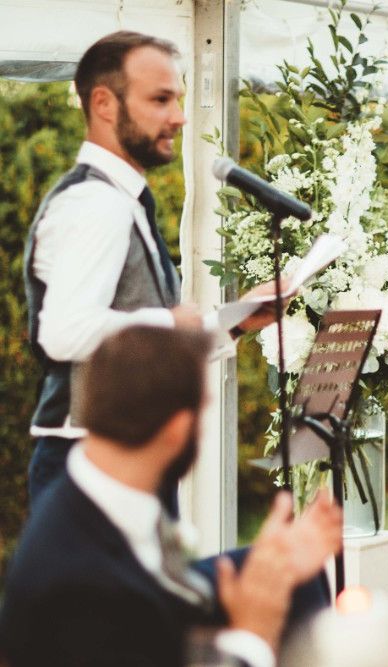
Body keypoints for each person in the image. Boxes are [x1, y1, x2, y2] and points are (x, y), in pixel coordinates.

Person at [23, 30, 275, 512]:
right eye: (160, 100)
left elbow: (132, 331)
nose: (179, 116)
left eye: (177, 99)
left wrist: (238, 321)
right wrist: (168, 322)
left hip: (118, 457)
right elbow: (65, 331)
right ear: (104, 103)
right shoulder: (96, 204)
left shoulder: (120, 199)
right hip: (91, 463)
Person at [0, 326, 342, 667]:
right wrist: (251, 636)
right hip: (127, 626)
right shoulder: (78, 588)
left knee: (296, 575)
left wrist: (274, 563)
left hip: (145, 608)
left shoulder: (95, 487)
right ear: (178, 429)